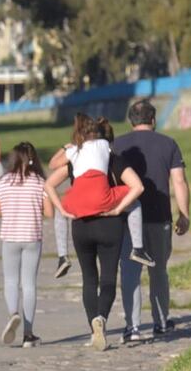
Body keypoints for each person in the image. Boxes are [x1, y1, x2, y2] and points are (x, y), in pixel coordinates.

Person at [45, 140, 145, 351]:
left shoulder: (75, 162)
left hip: (81, 225)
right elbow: (136, 188)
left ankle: (94, 330)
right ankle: (101, 318)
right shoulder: (115, 161)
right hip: (109, 223)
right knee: (109, 277)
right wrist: (118, 210)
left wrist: (62, 211)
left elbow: (50, 179)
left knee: (89, 279)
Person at [115, 100, 191, 343]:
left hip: (126, 219)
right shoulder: (168, 144)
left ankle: (133, 327)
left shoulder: (117, 145)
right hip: (160, 218)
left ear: (130, 121)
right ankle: (160, 322)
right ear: (153, 120)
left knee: (130, 273)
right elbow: (178, 181)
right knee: (158, 271)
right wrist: (184, 213)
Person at [48, 114, 156, 270]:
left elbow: (52, 165)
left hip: (79, 206)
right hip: (105, 204)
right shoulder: (108, 149)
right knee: (135, 202)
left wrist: (68, 146)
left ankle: (62, 255)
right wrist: (118, 209)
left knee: (61, 209)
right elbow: (138, 187)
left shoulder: (75, 154)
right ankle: (138, 248)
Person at [0, 142, 53, 348]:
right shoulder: (39, 182)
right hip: (32, 237)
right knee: (29, 284)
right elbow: (49, 212)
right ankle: (28, 334)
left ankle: (13, 314)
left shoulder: (4, 182)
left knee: (10, 280)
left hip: (10, 237)